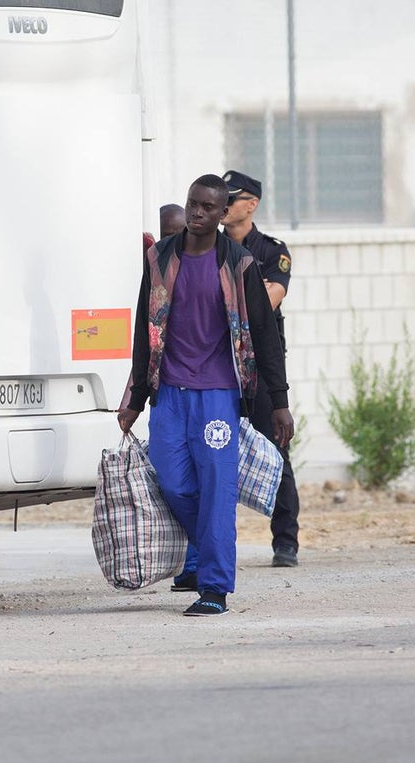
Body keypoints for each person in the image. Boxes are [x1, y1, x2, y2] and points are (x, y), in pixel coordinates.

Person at [119, 174, 294, 616]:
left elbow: (264, 334)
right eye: (193, 204)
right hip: (170, 394)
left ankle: (214, 587)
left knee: (217, 489)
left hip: (218, 393)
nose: (197, 213)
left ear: (221, 215)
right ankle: (206, 544)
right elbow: (146, 329)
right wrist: (135, 396)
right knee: (173, 481)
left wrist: (279, 401)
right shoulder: (159, 258)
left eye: (207, 208)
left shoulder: (238, 263)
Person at [222, 170, 302, 567]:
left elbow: (265, 303)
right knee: (214, 450)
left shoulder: (271, 251)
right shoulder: (209, 247)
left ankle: (285, 541)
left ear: (251, 204)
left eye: (231, 199)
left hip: (260, 365)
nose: (222, 205)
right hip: (218, 363)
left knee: (276, 447)